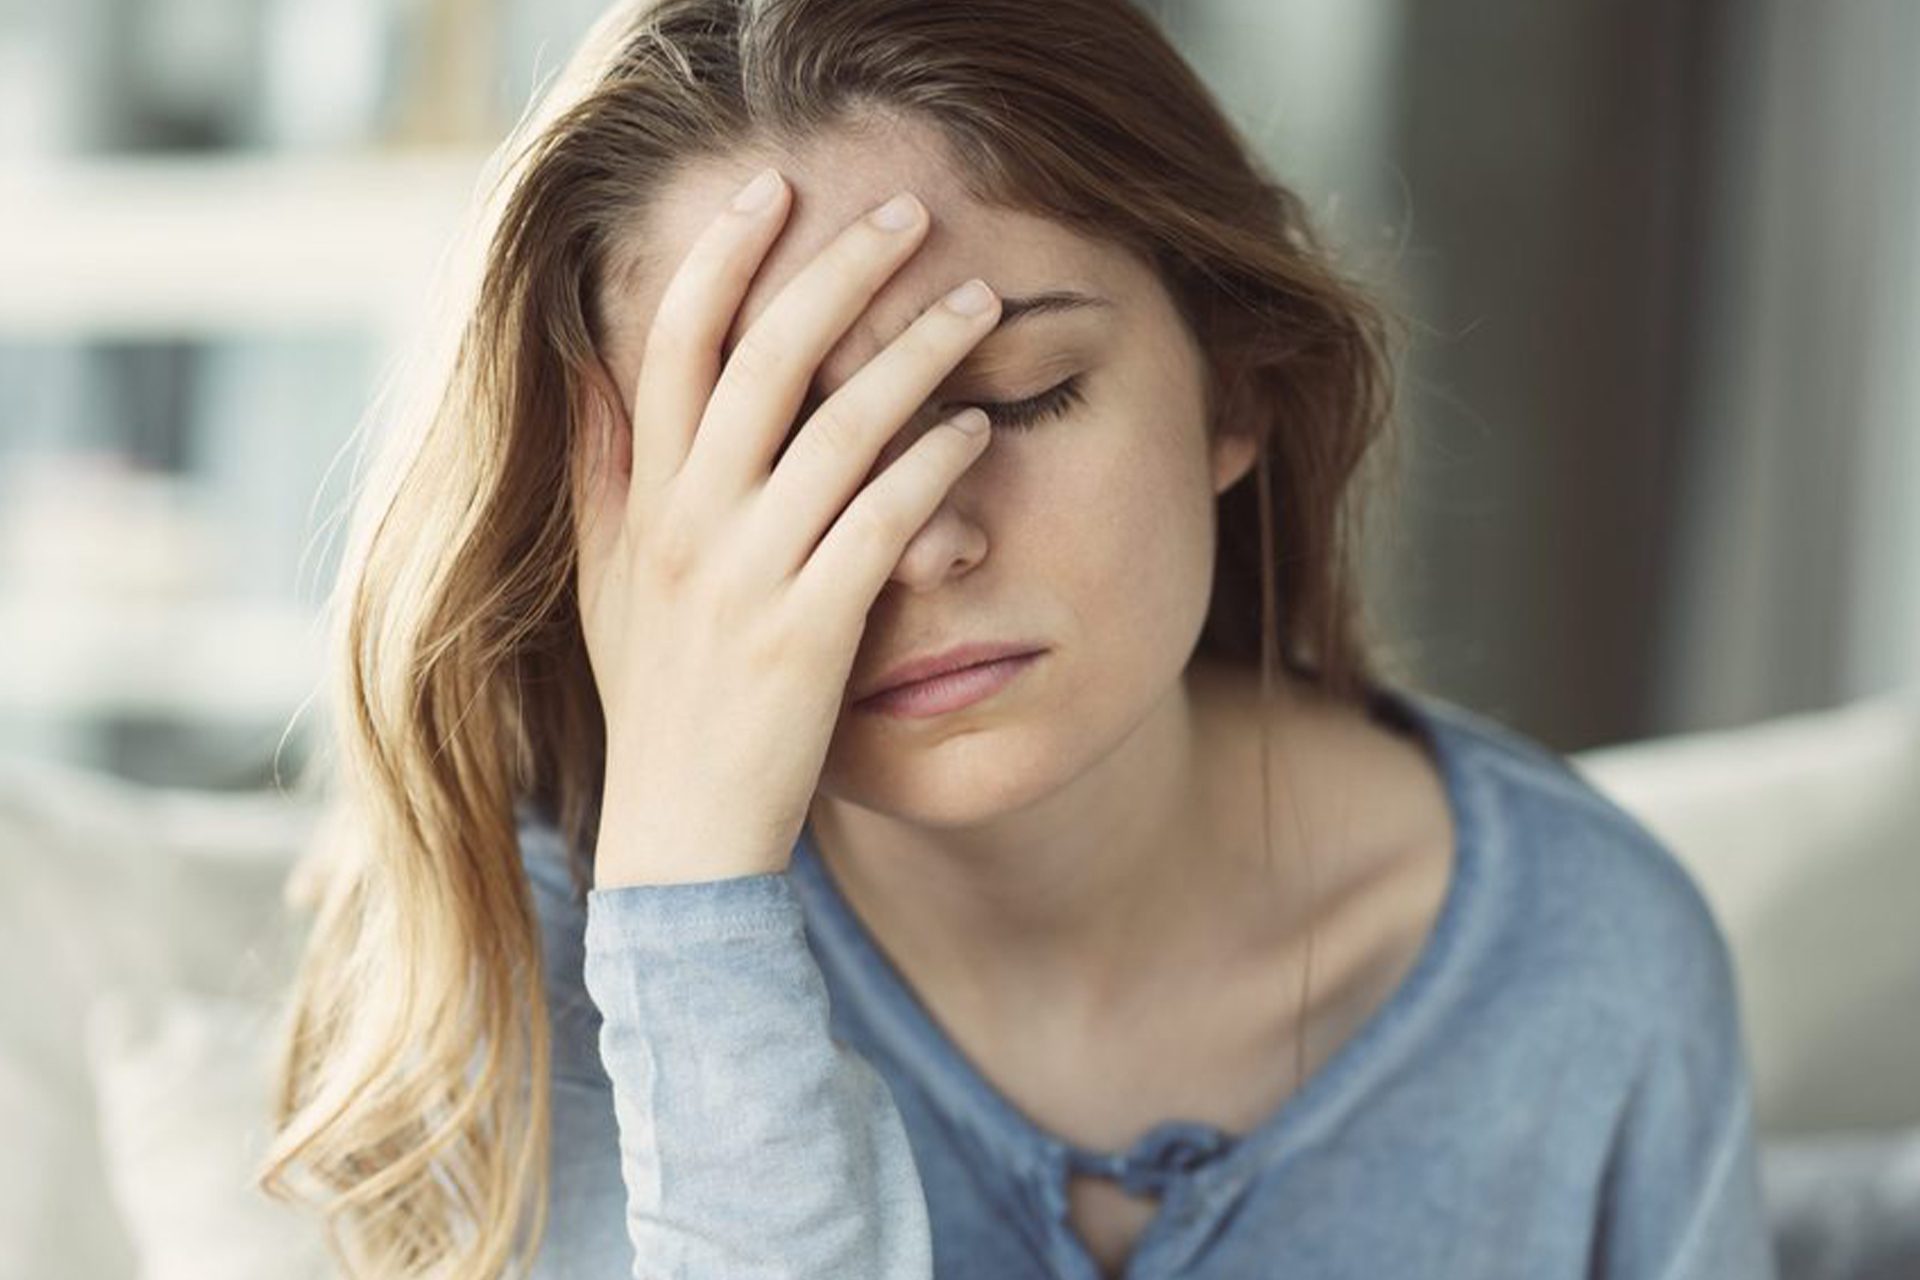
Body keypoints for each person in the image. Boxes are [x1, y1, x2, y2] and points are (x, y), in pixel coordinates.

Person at [259, 0, 1779, 1277]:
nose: (923, 541)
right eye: (785, 455)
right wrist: (692, 917)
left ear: (1234, 389)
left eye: (1024, 395)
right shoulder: (529, 966)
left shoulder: (1590, 971)